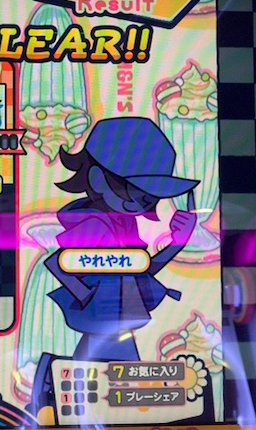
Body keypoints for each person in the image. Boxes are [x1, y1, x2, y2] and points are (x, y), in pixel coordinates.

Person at [28, 117, 199, 417]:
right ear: (97, 179)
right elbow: (58, 263)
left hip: (116, 320)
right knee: (110, 387)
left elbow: (137, 269)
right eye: (138, 193)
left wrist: (177, 243)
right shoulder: (95, 224)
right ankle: (49, 391)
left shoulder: (123, 222)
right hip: (108, 320)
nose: (143, 205)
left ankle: (50, 391)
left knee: (103, 385)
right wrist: (90, 297)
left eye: (150, 198)